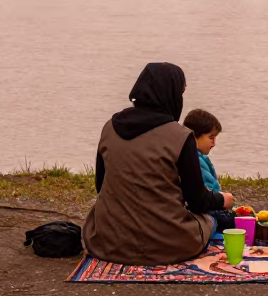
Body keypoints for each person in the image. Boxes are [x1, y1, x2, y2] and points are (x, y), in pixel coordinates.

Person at [83, 63, 234, 265]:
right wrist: (222, 199)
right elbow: (197, 201)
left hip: (107, 242)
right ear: (171, 95)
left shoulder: (109, 127)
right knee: (211, 220)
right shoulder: (180, 136)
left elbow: (100, 186)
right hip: (165, 246)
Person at [184, 108, 235, 234]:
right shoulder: (195, 161)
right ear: (194, 137)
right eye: (211, 137)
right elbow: (207, 196)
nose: (214, 143)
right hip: (202, 212)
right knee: (232, 219)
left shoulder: (199, 158)